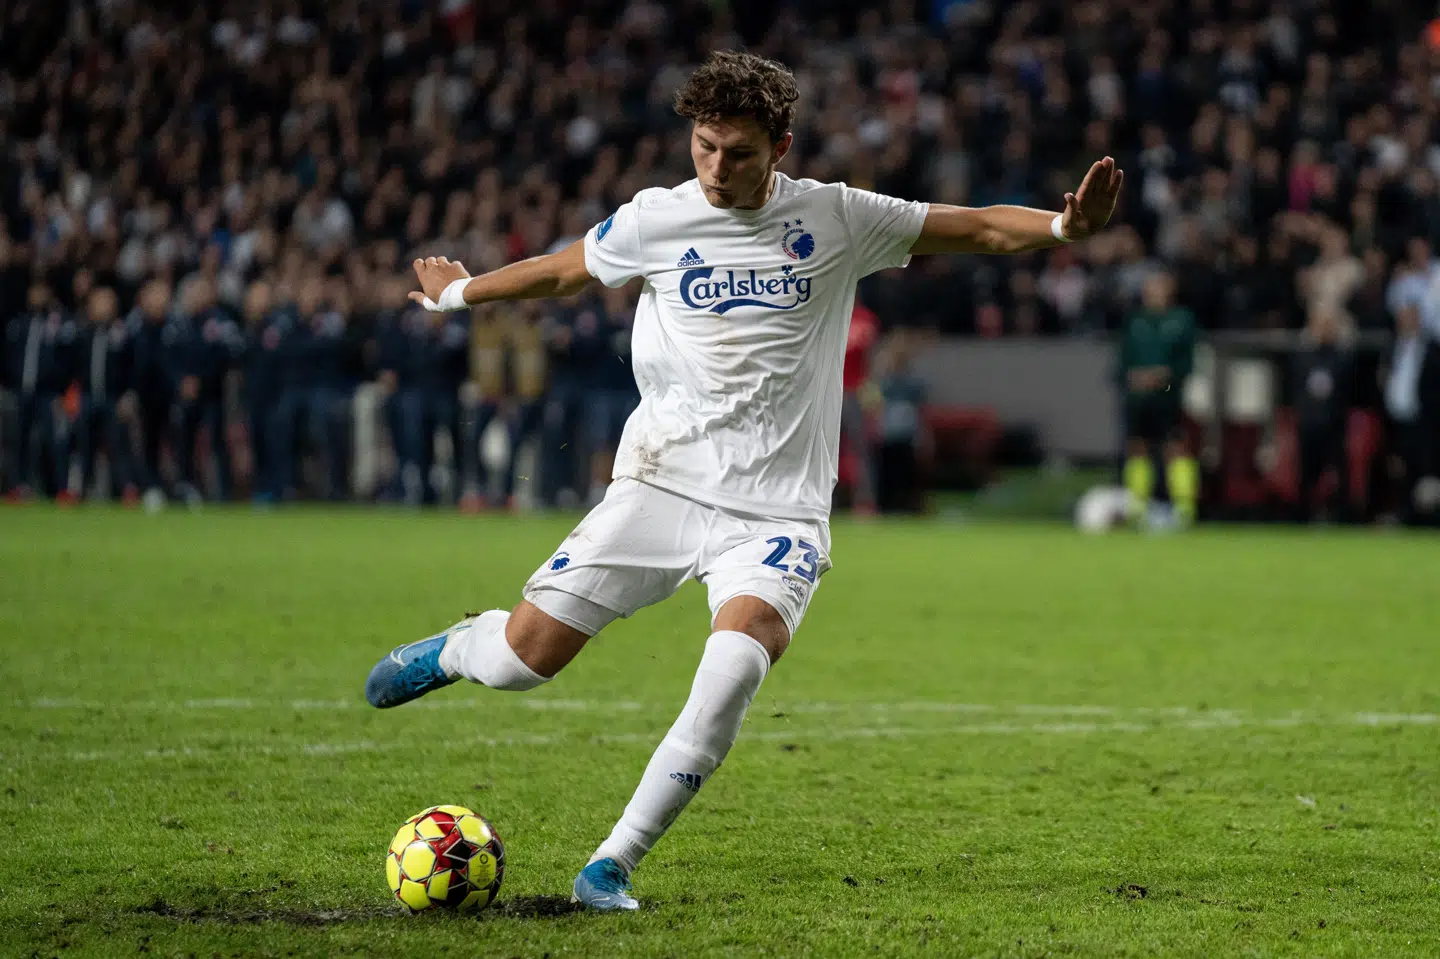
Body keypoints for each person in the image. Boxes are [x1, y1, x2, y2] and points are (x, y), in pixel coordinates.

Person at [362, 51, 1123, 911]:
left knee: (734, 665)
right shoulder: (657, 218)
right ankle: (463, 646)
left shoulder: (837, 217)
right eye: (704, 147)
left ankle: (611, 862)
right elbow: (566, 268)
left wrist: (1063, 231)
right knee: (522, 663)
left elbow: (975, 226)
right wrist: (461, 297)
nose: (718, 169)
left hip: (778, 510)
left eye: (740, 153)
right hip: (660, 484)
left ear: (781, 147)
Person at [1118, 270, 1198, 527]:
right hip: (1138, 397)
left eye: (1160, 286)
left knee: (1174, 447)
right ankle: (1138, 507)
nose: (1155, 291)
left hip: (1167, 395)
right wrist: (1134, 376)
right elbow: (1122, 360)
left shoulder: (1182, 320)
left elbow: (1188, 362)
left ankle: (1184, 508)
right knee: (1137, 447)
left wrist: (1166, 376)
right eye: (1151, 286)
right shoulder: (1135, 321)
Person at [74, 287, 139, 503]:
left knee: (118, 446)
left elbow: (131, 367)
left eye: (107, 302)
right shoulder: (82, 333)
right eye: (98, 302)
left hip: (113, 398)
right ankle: (80, 489)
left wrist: (128, 395)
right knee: (84, 446)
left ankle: (126, 490)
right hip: (87, 397)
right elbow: (71, 367)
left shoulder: (121, 334)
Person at [1291, 305, 1354, 522]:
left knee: (1339, 472)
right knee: (1306, 473)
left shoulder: (1343, 358)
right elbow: (1296, 391)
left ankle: (1342, 515)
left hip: (1334, 423)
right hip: (1308, 424)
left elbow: (1348, 392)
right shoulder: (1302, 358)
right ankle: (1303, 515)